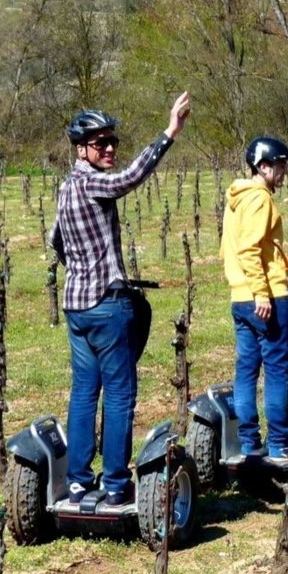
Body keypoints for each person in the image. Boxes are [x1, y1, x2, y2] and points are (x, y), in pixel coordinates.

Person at [51, 91, 191, 505]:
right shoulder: (93, 182)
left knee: (83, 392)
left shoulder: (65, 188)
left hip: (77, 307)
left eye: (113, 141)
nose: (110, 148)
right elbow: (129, 178)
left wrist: (81, 267)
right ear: (82, 149)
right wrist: (169, 133)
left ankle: (77, 480)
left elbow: (55, 241)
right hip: (107, 308)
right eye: (100, 143)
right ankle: (114, 485)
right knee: (118, 395)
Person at [222, 136, 288, 466]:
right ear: (263, 166)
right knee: (277, 372)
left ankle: (250, 443)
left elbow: (230, 250)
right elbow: (249, 249)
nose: (283, 173)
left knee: (246, 371)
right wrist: (262, 292)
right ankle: (279, 444)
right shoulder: (259, 199)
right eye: (280, 166)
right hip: (265, 297)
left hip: (240, 298)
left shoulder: (235, 199)